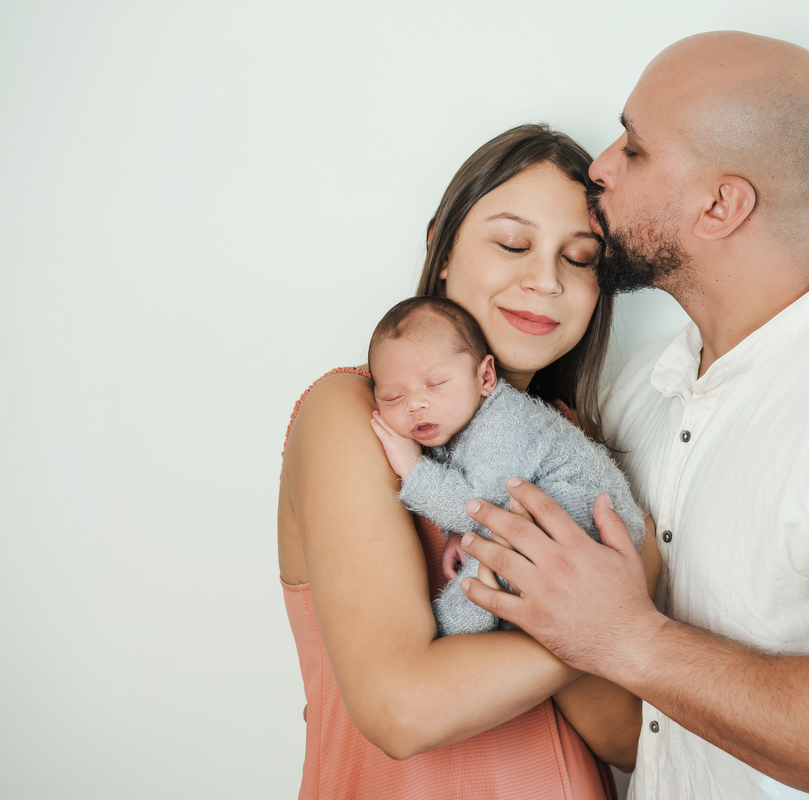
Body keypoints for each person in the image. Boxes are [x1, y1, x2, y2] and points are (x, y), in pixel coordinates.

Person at [458, 32, 809, 800]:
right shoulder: (641, 396)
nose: (601, 166)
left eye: (638, 149)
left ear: (722, 205)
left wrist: (629, 640)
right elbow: (638, 729)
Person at [278, 124, 658, 800]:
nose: (545, 280)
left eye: (579, 258)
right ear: (441, 247)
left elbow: (623, 735)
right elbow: (403, 708)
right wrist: (608, 621)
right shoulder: (351, 415)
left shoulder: (573, 450)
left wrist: (604, 624)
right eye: (513, 243)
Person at [365, 295, 646, 636]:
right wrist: (460, 533)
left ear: (485, 377)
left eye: (436, 384)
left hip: (593, 527)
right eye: (394, 397)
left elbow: (480, 508)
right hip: (550, 529)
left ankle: (444, 642)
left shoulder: (506, 421)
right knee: (495, 557)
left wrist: (413, 468)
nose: (415, 405)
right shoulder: (454, 422)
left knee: (487, 574)